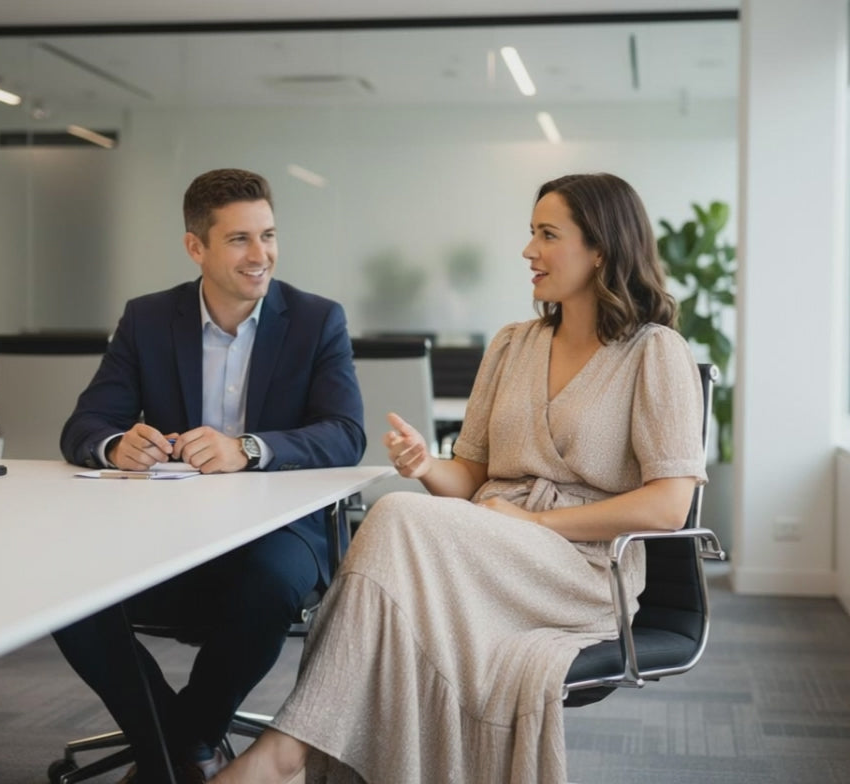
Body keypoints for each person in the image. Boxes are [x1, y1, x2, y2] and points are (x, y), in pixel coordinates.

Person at [213, 172, 708, 784]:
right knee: (400, 517)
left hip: (582, 568)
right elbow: (472, 474)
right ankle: (292, 751)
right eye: (531, 234)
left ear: (601, 248)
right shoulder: (511, 345)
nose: (529, 251)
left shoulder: (655, 352)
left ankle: (288, 753)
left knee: (394, 519)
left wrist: (535, 522)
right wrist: (426, 466)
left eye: (548, 235)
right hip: (488, 543)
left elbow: (668, 506)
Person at [53, 168, 365, 784]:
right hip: (168, 533)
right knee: (62, 591)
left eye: (269, 236)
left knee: (268, 582)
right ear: (196, 247)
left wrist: (247, 448)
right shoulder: (147, 320)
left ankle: (175, 746)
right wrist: (119, 446)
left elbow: (345, 433)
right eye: (240, 240)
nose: (261, 255)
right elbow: (84, 426)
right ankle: (183, 749)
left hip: (278, 534)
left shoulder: (315, 319)